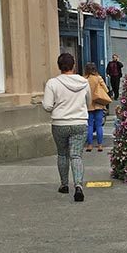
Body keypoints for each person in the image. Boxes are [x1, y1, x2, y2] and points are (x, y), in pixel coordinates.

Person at [42, 52, 91, 202]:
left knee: (62, 154)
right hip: (79, 122)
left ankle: (64, 185)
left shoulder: (52, 83)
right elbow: (88, 102)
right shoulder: (84, 82)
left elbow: (48, 106)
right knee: (76, 155)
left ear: (59, 66)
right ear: (73, 65)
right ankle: (78, 186)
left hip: (60, 123)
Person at [84, 62, 111, 152]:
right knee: (99, 126)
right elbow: (106, 90)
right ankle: (100, 145)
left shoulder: (84, 79)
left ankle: (90, 145)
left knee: (90, 125)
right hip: (99, 104)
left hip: (88, 105)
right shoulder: (98, 78)